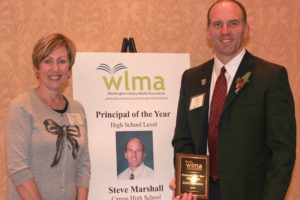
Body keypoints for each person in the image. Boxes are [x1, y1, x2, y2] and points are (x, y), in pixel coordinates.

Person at [170, 0, 296, 200]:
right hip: (202, 195)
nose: (225, 31)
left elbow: (282, 151)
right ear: (208, 31)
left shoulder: (270, 77)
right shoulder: (192, 79)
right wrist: (186, 182)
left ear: (246, 29)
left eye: (233, 23)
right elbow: (183, 139)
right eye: (217, 24)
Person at [5, 33, 91, 200]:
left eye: (61, 61)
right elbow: (18, 169)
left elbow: (83, 166)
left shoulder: (77, 109)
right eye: (48, 61)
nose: (55, 68)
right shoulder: (22, 107)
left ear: (69, 68)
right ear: (37, 67)